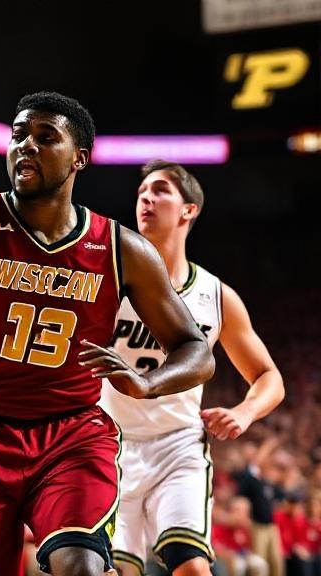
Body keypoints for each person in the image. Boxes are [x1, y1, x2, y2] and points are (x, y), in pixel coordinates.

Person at [0, 91, 216, 576]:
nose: (26, 146)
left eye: (46, 138)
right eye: (19, 135)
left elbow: (197, 350)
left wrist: (148, 383)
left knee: (82, 567)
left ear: (78, 159)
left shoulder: (119, 247)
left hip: (68, 435)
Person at [100, 160, 285, 576]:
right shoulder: (107, 278)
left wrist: (244, 412)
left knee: (193, 569)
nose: (146, 197)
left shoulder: (216, 296)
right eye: (141, 191)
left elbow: (269, 377)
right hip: (107, 444)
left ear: (189, 210)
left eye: (160, 190)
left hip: (177, 446)